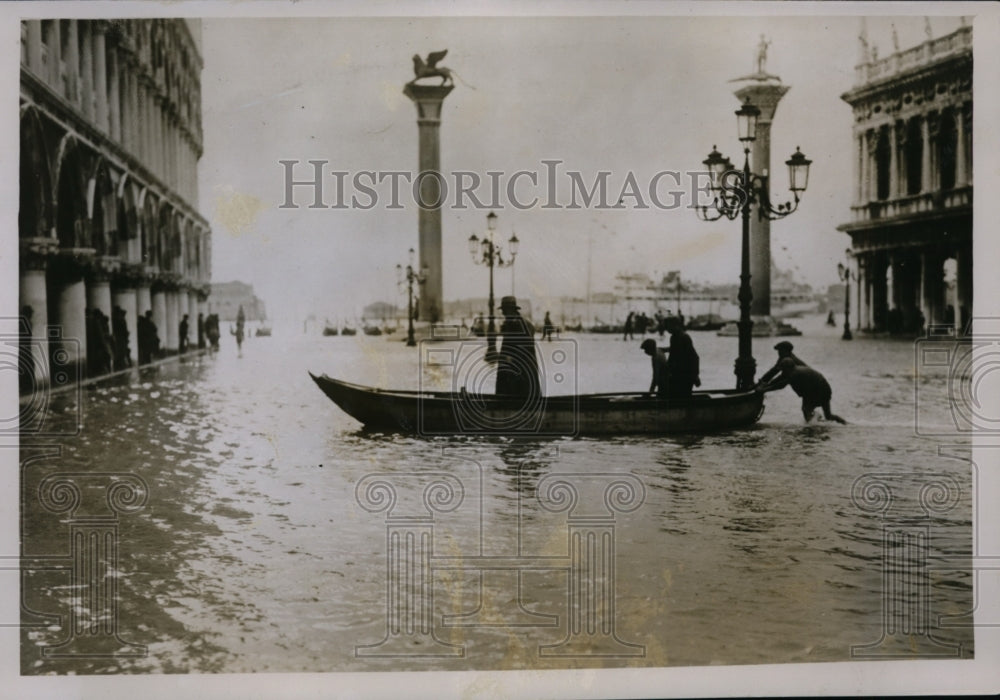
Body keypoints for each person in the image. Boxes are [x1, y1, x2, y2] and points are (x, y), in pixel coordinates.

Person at [756, 345, 847, 424]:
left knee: (806, 410)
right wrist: (766, 385)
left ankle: (814, 425)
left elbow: (781, 385)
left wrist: (764, 389)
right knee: (827, 415)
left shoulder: (793, 373)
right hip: (820, 388)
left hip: (818, 389)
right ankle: (842, 424)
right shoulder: (792, 368)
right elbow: (780, 378)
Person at [495, 296, 539, 399]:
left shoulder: (523, 325)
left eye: (505, 311)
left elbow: (526, 350)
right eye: (503, 311)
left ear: (511, 310)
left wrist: (509, 358)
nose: (503, 314)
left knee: (520, 399)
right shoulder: (512, 324)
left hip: (522, 374)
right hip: (511, 372)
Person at [662, 316, 700, 398]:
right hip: (676, 374)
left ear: (675, 325)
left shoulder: (684, 337)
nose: (666, 329)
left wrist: (695, 375)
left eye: (668, 326)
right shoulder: (673, 338)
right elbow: (673, 353)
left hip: (685, 375)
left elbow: (694, 357)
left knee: (682, 397)